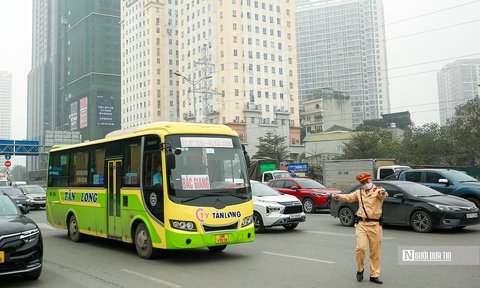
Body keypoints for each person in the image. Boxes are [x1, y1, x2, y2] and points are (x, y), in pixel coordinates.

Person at [332, 172, 388, 284]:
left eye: (366, 181)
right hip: (361, 224)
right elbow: (349, 197)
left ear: (370, 180)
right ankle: (360, 269)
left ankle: (374, 274)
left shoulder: (378, 191)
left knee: (375, 252)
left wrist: (382, 192)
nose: (365, 184)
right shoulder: (359, 192)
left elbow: (383, 194)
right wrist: (338, 196)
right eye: (362, 182)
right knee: (361, 248)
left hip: (375, 225)